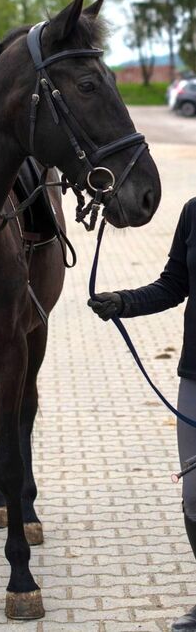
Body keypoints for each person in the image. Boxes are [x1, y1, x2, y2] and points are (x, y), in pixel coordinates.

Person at [88, 197, 196, 632]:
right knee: (195, 497)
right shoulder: (193, 212)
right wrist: (124, 302)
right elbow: (173, 284)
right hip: (195, 374)